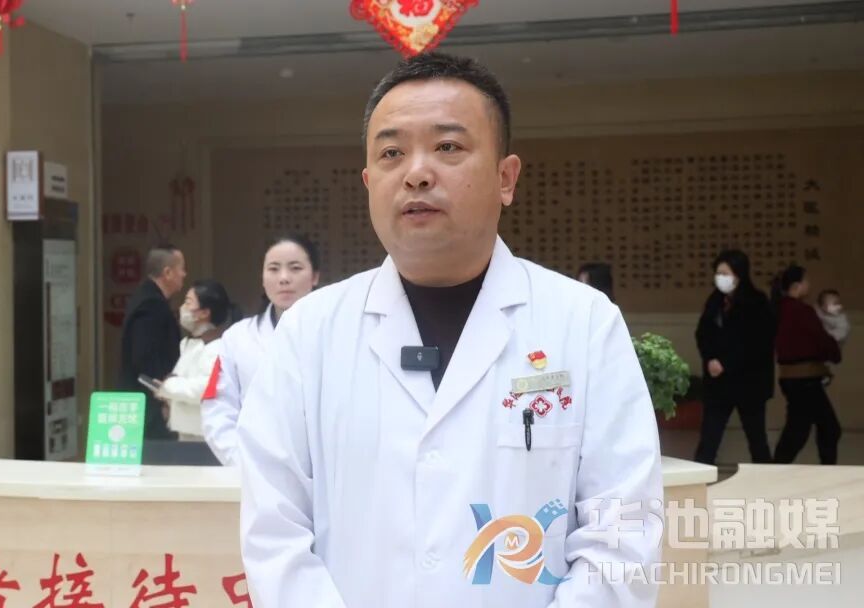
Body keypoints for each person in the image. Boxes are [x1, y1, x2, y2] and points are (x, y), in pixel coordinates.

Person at [237, 53, 662, 607]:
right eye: (391, 153)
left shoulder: (583, 323)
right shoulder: (308, 334)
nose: (416, 172)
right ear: (368, 182)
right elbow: (275, 533)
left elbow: (622, 530)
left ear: (506, 178)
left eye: (448, 147)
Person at [200, 234, 321, 465]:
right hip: (253, 468)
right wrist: (243, 461)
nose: (284, 278)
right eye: (273, 269)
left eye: (295, 268)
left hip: (325, 473)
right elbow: (218, 407)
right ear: (263, 279)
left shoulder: (339, 335)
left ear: (315, 276)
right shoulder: (238, 338)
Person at [692, 250, 775, 465]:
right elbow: (702, 333)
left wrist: (726, 363)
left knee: (757, 440)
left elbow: (758, 343)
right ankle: (699, 479)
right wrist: (710, 358)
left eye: (725, 273)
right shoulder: (715, 301)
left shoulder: (757, 302)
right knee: (709, 440)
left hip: (749, 383)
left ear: (739, 274)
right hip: (718, 383)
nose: (720, 278)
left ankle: (768, 480)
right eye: (718, 273)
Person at [771, 265, 842, 464]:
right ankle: (826, 471)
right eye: (806, 281)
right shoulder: (801, 311)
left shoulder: (778, 309)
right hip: (805, 380)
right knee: (822, 429)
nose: (809, 285)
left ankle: (777, 469)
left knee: (802, 429)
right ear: (797, 285)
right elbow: (821, 341)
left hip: (792, 379)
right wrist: (834, 352)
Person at [118, 244, 186, 439]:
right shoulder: (151, 305)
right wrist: (163, 396)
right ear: (167, 273)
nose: (184, 274)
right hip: (149, 407)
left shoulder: (147, 297)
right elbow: (145, 357)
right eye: (181, 268)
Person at [157, 279, 238, 440]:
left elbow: (205, 388)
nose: (182, 308)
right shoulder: (190, 343)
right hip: (185, 429)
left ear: (204, 313)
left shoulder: (218, 347)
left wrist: (169, 386)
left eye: (188, 302)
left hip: (203, 434)